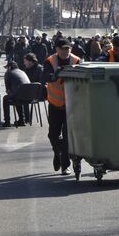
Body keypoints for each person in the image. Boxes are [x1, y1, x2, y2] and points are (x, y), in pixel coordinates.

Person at [42, 38, 81, 175]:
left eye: (67, 49)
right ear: (56, 49)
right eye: (62, 49)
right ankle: (57, 153)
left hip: (71, 106)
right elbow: (45, 76)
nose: (65, 52)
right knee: (52, 134)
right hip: (55, 104)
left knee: (67, 137)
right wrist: (54, 76)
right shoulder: (50, 61)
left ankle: (65, 165)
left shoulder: (77, 61)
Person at [2, 61, 31, 127]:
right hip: (30, 97)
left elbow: (8, 90)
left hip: (19, 96)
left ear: (9, 67)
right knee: (17, 95)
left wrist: (11, 93)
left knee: (6, 98)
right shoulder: (22, 71)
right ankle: (22, 120)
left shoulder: (8, 73)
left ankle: (7, 121)